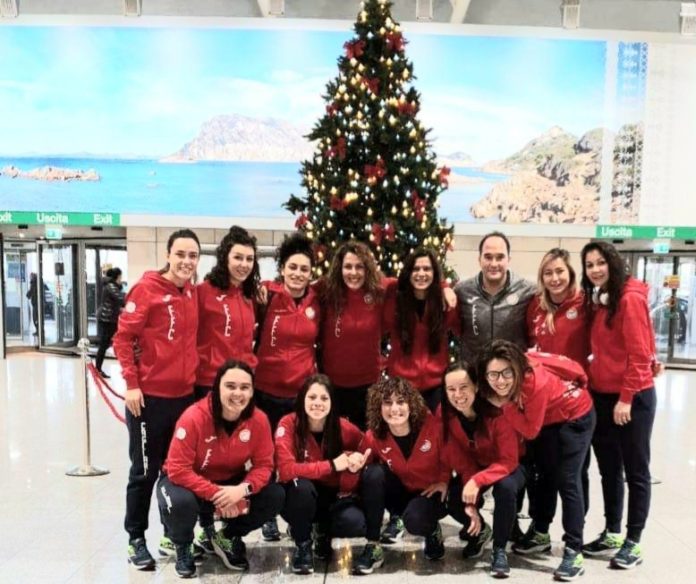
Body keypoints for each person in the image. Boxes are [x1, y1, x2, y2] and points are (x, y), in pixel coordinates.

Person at [113, 229, 201, 570]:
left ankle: (171, 534)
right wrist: (132, 384)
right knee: (145, 472)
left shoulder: (191, 291)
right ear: (168, 255)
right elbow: (123, 338)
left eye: (192, 256)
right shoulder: (146, 289)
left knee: (175, 471)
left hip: (184, 399)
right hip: (149, 400)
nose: (186, 262)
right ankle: (136, 538)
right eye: (180, 254)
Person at [478, 340, 596, 581]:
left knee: (568, 480)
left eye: (506, 373)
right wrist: (581, 379)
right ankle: (541, 533)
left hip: (576, 416)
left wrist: (506, 406)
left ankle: (574, 550)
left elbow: (530, 430)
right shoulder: (527, 359)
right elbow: (568, 364)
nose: (500, 381)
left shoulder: (535, 384)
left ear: (518, 368)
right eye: (493, 374)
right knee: (544, 475)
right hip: (551, 418)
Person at [157, 360, 285, 578]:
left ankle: (226, 535)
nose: (238, 393)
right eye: (230, 386)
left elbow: (264, 465)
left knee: (275, 494)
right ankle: (183, 545)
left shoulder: (259, 420)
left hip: (230, 482)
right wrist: (217, 494)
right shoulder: (194, 417)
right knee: (180, 502)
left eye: (245, 387)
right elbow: (178, 469)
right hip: (187, 483)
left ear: (253, 391)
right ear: (217, 388)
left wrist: (242, 490)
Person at [579, 241, 657, 570]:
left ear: (613, 262)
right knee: (609, 469)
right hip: (603, 394)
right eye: (589, 264)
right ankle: (612, 532)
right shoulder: (599, 300)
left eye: (600, 263)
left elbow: (640, 354)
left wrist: (626, 397)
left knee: (636, 471)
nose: (595, 269)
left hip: (632, 398)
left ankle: (633, 540)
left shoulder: (629, 298)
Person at [254, 231, 321, 541]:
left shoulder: (318, 299)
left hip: (300, 396)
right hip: (265, 392)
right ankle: (267, 514)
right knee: (265, 458)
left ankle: (298, 517)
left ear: (311, 273)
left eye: (304, 269)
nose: (298, 274)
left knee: (297, 458)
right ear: (282, 268)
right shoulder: (266, 295)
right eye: (293, 267)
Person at [353, 377, 449, 575]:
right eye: (387, 403)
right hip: (399, 494)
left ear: (411, 404)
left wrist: (444, 480)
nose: (394, 408)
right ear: (378, 407)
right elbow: (359, 460)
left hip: (428, 493)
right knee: (373, 473)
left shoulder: (432, 426)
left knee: (415, 521)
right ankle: (373, 545)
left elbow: (448, 456)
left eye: (400, 401)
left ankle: (431, 530)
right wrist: (352, 460)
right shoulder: (375, 434)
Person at [276, 374, 369, 574]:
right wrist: (331, 465)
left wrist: (355, 459)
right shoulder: (288, 424)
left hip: (333, 497)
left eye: (324, 398)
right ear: (302, 399)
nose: (318, 403)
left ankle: (322, 530)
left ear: (332, 402)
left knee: (355, 524)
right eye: (312, 397)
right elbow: (285, 469)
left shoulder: (344, 427)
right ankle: (302, 545)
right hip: (299, 496)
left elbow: (368, 447)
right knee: (300, 487)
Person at [439, 360, 524, 578]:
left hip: (508, 466)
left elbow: (509, 460)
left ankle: (499, 550)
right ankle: (480, 529)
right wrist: (471, 504)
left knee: (505, 488)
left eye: (464, 387)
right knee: (454, 498)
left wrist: (477, 481)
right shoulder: (445, 414)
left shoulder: (498, 412)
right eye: (451, 389)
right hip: (474, 466)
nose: (458, 394)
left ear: (476, 386)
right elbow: (456, 455)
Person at [526, 248, 591, 522]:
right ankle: (540, 527)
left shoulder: (586, 304)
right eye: (548, 273)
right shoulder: (536, 306)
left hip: (577, 404)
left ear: (570, 272)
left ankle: (576, 527)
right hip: (545, 401)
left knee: (574, 471)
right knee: (544, 468)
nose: (555, 278)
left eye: (560, 271)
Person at [316, 241, 386, 430]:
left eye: (359, 267)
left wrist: (445, 285)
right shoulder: (325, 290)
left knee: (366, 440)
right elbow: (296, 286)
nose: (353, 273)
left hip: (368, 385)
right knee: (334, 439)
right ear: (339, 268)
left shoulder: (379, 291)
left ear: (367, 269)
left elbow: (410, 280)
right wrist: (266, 287)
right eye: (348, 266)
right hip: (332, 385)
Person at [382, 248, 459, 412]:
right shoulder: (394, 295)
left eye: (427, 269)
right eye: (416, 269)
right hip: (402, 384)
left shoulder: (444, 301)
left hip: (436, 385)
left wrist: (444, 286)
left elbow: (461, 328)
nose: (421, 274)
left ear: (434, 272)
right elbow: (377, 281)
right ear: (408, 272)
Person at [195, 226, 260, 400]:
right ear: (225, 258)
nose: (244, 264)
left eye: (249, 259)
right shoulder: (203, 292)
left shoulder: (249, 296)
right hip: (210, 382)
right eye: (238, 257)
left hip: (242, 383)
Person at [455, 231, 535, 362]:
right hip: (475, 375)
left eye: (500, 257)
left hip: (512, 375)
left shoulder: (528, 291)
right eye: (488, 257)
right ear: (479, 259)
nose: (493, 264)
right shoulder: (462, 291)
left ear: (508, 259)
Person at [95, 267, 125, 377]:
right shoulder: (111, 286)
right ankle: (97, 369)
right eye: (121, 276)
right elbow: (121, 298)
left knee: (106, 343)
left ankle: (98, 368)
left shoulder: (112, 286)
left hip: (110, 318)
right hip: (107, 319)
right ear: (117, 277)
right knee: (104, 344)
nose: (121, 279)